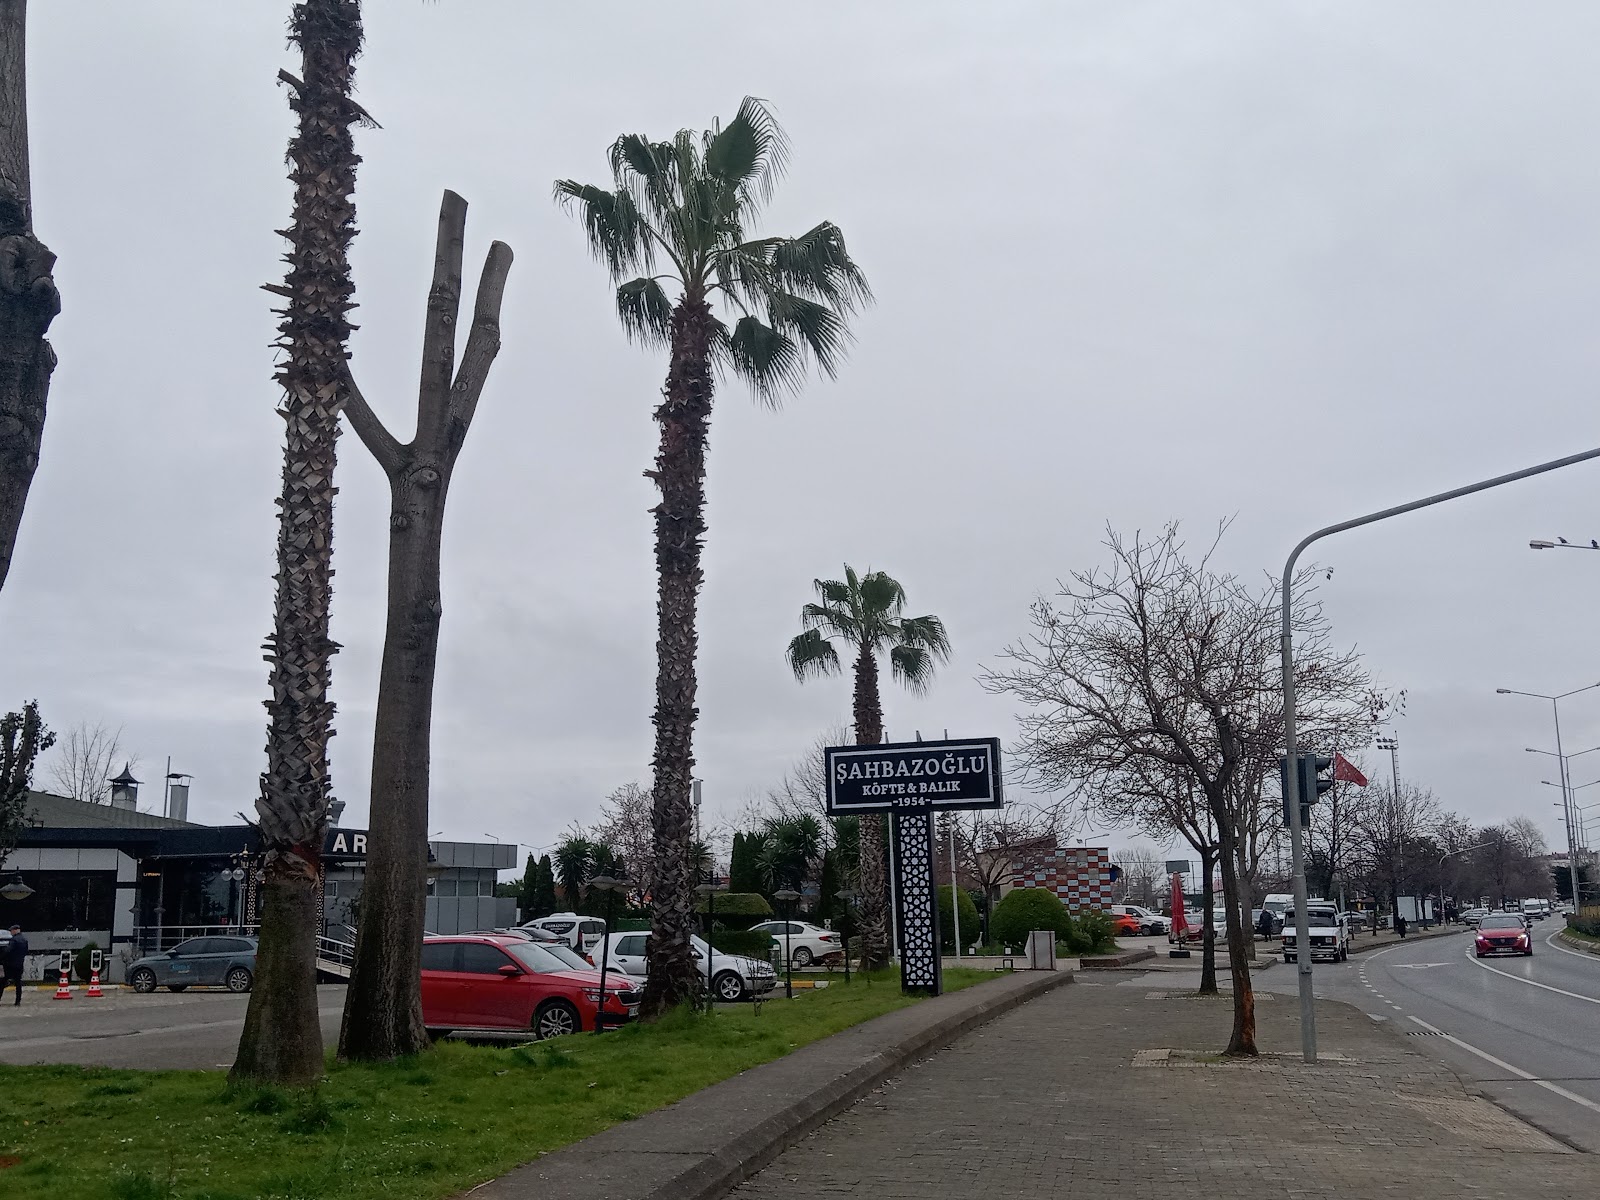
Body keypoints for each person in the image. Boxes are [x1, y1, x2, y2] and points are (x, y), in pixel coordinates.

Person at [4, 925, 28, 1005]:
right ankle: (18, 1001)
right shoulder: (24, 939)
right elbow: (26, 951)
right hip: (20, 964)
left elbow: (8, 951)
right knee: (18, 983)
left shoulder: (14, 940)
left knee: (2, 981)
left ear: (15, 930)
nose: (11, 932)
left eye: (11, 931)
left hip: (10, 964)